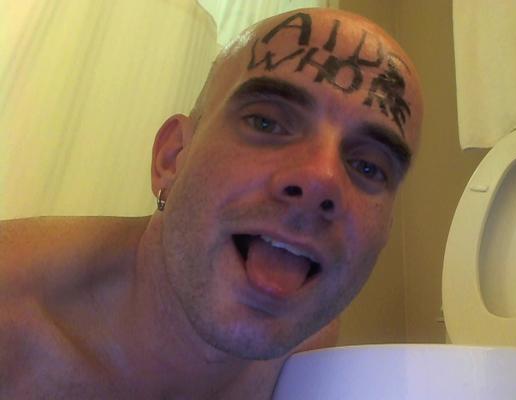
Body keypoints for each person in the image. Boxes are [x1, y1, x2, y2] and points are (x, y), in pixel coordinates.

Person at [0, 7, 423, 399]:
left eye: (369, 167)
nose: (320, 180)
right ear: (172, 156)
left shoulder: (308, 345)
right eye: (266, 122)